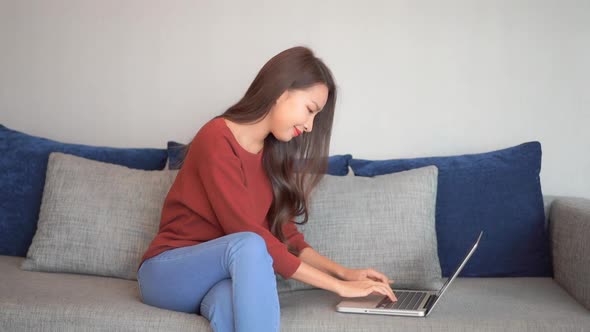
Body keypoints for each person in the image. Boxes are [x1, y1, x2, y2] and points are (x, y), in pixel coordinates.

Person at [137, 46, 397, 332]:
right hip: (166, 274)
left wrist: (345, 273)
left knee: (231, 310)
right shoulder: (216, 138)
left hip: (218, 282)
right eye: (310, 110)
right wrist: (338, 287)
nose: (310, 126)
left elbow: (286, 236)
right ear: (281, 91)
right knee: (250, 244)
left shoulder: (274, 154)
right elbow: (245, 232)